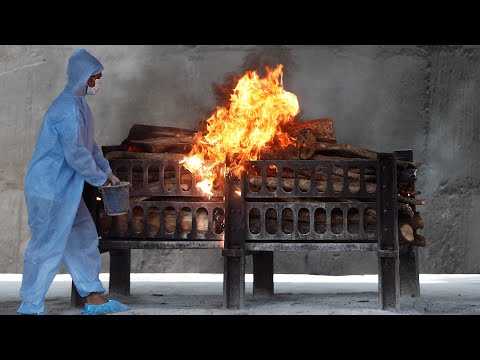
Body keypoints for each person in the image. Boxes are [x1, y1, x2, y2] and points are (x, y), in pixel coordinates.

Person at [18, 48, 130, 315]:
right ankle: (30, 305)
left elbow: (89, 147)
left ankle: (93, 296)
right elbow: (76, 155)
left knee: (83, 236)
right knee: (45, 247)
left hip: (66, 191)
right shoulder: (66, 110)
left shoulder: (80, 106)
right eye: (96, 77)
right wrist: (100, 179)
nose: (98, 82)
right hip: (49, 190)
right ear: (84, 77)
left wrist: (107, 171)